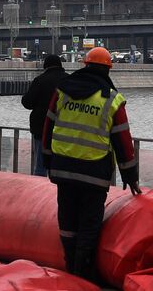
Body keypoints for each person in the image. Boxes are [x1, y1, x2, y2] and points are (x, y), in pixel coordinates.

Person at [43, 47, 141, 283]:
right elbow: (123, 141)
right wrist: (131, 177)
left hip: (63, 168)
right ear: (108, 69)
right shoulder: (111, 99)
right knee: (90, 225)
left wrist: (48, 159)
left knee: (67, 221)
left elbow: (48, 126)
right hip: (94, 174)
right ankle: (83, 274)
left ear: (85, 65)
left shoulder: (63, 91)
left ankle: (70, 267)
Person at [21, 54, 67, 176]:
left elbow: (27, 102)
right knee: (60, 165)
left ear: (45, 66)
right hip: (63, 130)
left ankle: (39, 191)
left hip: (41, 128)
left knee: (40, 165)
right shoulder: (68, 80)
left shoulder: (40, 80)